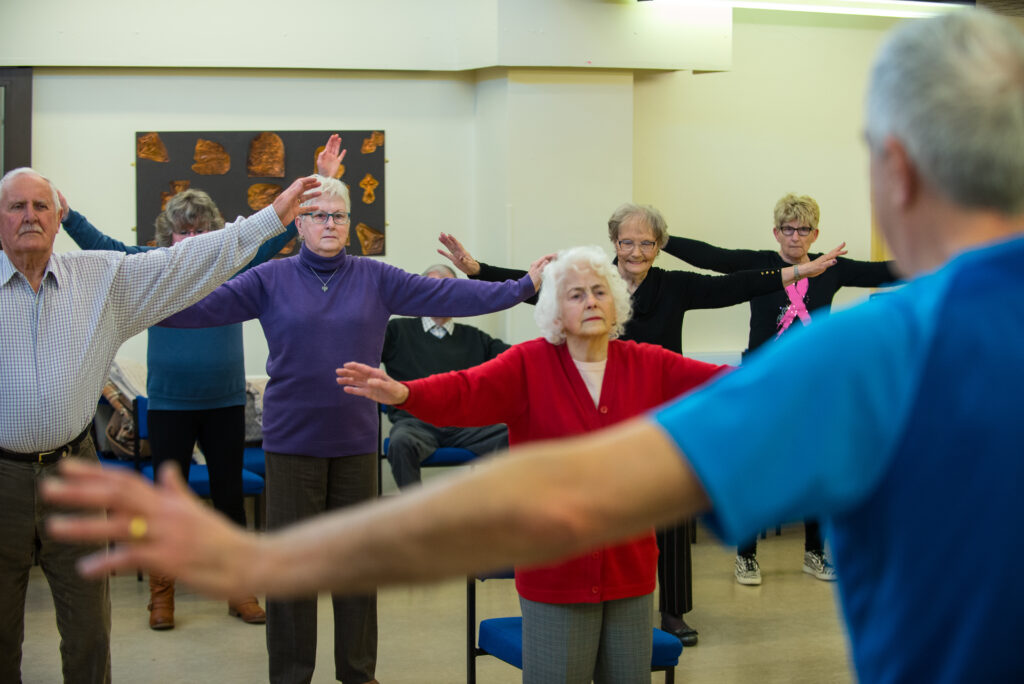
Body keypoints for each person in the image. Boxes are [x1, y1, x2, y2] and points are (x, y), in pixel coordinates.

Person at [43, 8, 1024, 682]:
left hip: (383, 461)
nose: (600, 289)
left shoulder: (872, 359)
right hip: (307, 439)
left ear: (891, 168)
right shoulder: (279, 279)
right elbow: (454, 385)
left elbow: (561, 486)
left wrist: (258, 558)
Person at [154, 173, 550, 684]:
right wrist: (137, 298)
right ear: (298, 224)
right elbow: (192, 310)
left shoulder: (375, 277)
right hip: (292, 445)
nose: (329, 223)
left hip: (355, 444)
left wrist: (524, 287)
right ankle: (291, 675)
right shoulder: (269, 279)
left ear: (349, 224)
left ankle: (358, 673)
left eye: (338, 215)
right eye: (318, 214)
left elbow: (452, 298)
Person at [436, 207, 844, 645]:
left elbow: (736, 285)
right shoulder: (596, 283)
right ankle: (599, 603)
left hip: (661, 417)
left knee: (667, 514)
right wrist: (478, 270)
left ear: (659, 246)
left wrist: (801, 271)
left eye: (647, 243)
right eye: (627, 242)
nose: (636, 251)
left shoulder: (675, 285)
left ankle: (672, 612)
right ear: (614, 242)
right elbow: (535, 286)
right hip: (598, 416)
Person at [340, 245, 726, 683]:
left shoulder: (647, 363)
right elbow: (466, 391)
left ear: (616, 303)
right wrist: (407, 394)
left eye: (599, 291)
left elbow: (728, 386)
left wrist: (803, 374)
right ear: (555, 313)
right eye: (576, 294)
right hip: (555, 569)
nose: (591, 301)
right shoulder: (529, 364)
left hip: (630, 568)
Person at [0, 166, 317, 684]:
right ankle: (161, 592)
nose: (30, 217)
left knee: (89, 628)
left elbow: (218, 251)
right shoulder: (125, 268)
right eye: (17, 207)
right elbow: (125, 242)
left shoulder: (118, 279)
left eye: (41, 207)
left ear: (56, 219)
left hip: (99, 455)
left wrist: (281, 212)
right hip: (25, 467)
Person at [59, 134, 343, 629]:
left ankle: (239, 589)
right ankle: (162, 594)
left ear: (212, 233)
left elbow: (279, 231)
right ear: (168, 235)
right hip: (168, 404)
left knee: (230, 497)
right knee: (167, 502)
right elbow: (101, 248)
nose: (190, 239)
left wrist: (318, 184)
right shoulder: (150, 269)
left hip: (225, 402)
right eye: (181, 231)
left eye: (199, 230)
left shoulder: (232, 264)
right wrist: (65, 216)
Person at [663, 193, 900, 585]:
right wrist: (664, 240)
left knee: (813, 465)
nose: (795, 237)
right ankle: (746, 556)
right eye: (787, 229)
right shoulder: (760, 265)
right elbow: (713, 257)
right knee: (754, 464)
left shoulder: (832, 269)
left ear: (815, 233)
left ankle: (813, 552)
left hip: (813, 384)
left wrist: (940, 254)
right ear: (776, 232)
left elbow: (883, 272)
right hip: (762, 380)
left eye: (802, 229)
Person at [382, 263, 509, 488]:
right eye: (434, 288)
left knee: (514, 434)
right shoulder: (397, 331)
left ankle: (501, 509)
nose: (442, 296)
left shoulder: (474, 338)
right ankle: (416, 515)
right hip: (415, 424)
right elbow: (360, 353)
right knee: (400, 442)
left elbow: (516, 358)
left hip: (466, 425)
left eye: (450, 289)